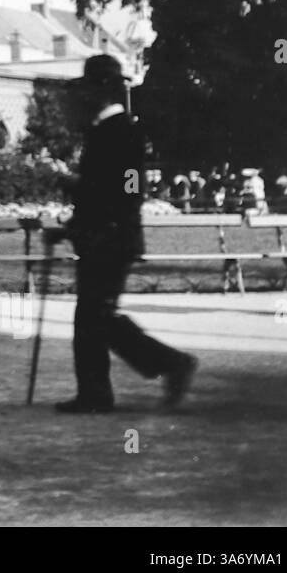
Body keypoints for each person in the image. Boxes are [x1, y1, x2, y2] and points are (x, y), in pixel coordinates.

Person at [56, 55, 196, 413]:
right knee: (96, 316)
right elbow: (114, 190)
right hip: (109, 235)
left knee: (94, 316)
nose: (83, 95)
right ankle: (101, 390)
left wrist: (72, 184)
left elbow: (121, 191)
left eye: (88, 88)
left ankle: (163, 366)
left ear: (99, 91)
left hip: (109, 237)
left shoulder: (116, 131)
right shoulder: (115, 129)